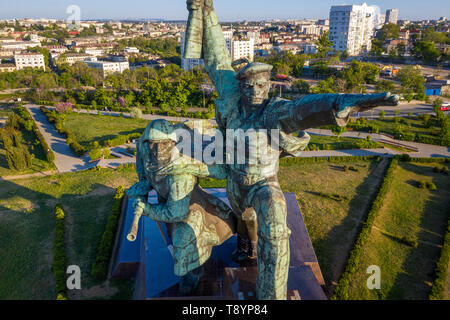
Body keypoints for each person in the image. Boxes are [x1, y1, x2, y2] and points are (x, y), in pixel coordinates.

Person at [185, 0, 399, 300]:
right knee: (244, 222)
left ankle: (270, 296)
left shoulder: (273, 113)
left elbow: (304, 108)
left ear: (269, 86)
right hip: (234, 183)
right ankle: (245, 244)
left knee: (273, 225)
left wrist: (342, 102)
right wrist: (206, 12)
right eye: (249, 87)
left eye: (261, 85)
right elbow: (218, 60)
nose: (256, 92)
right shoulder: (232, 106)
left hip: (263, 185)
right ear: (241, 88)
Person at [127, 119, 236, 294]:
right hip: (169, 199)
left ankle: (194, 272)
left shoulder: (180, 173)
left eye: (164, 143)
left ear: (173, 143)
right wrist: (143, 187)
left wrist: (147, 209)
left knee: (183, 238)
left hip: (188, 205)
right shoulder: (143, 148)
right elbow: (144, 174)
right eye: (153, 143)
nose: (158, 150)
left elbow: (175, 214)